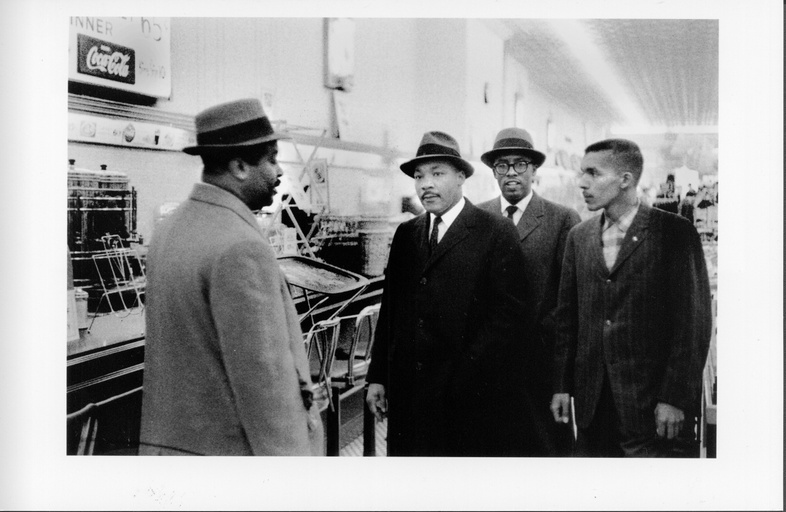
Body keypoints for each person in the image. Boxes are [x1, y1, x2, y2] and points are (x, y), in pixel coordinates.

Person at [139, 98, 324, 456]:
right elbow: (265, 387)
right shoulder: (241, 247)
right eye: (271, 158)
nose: (279, 172)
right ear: (239, 166)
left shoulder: (169, 230)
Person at [365, 131, 538, 456]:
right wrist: (378, 377)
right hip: (410, 397)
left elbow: (508, 316)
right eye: (419, 176)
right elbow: (391, 310)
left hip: (467, 397)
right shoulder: (407, 234)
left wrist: (465, 372)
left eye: (437, 174)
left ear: (461, 177)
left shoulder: (494, 231)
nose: (425, 184)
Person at [550, 138, 712, 457]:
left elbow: (692, 324)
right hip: (592, 405)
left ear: (625, 179)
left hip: (651, 404)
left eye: (593, 173)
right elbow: (567, 320)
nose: (582, 182)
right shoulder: (579, 238)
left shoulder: (674, 232)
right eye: (582, 173)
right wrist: (561, 386)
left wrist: (675, 397)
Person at [477, 127, 581, 456]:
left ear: (534, 170)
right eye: (502, 165)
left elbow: (570, 299)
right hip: (489, 366)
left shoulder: (562, 219)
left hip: (541, 367)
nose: (511, 172)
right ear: (493, 171)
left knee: (544, 453)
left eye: (520, 164)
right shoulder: (477, 218)